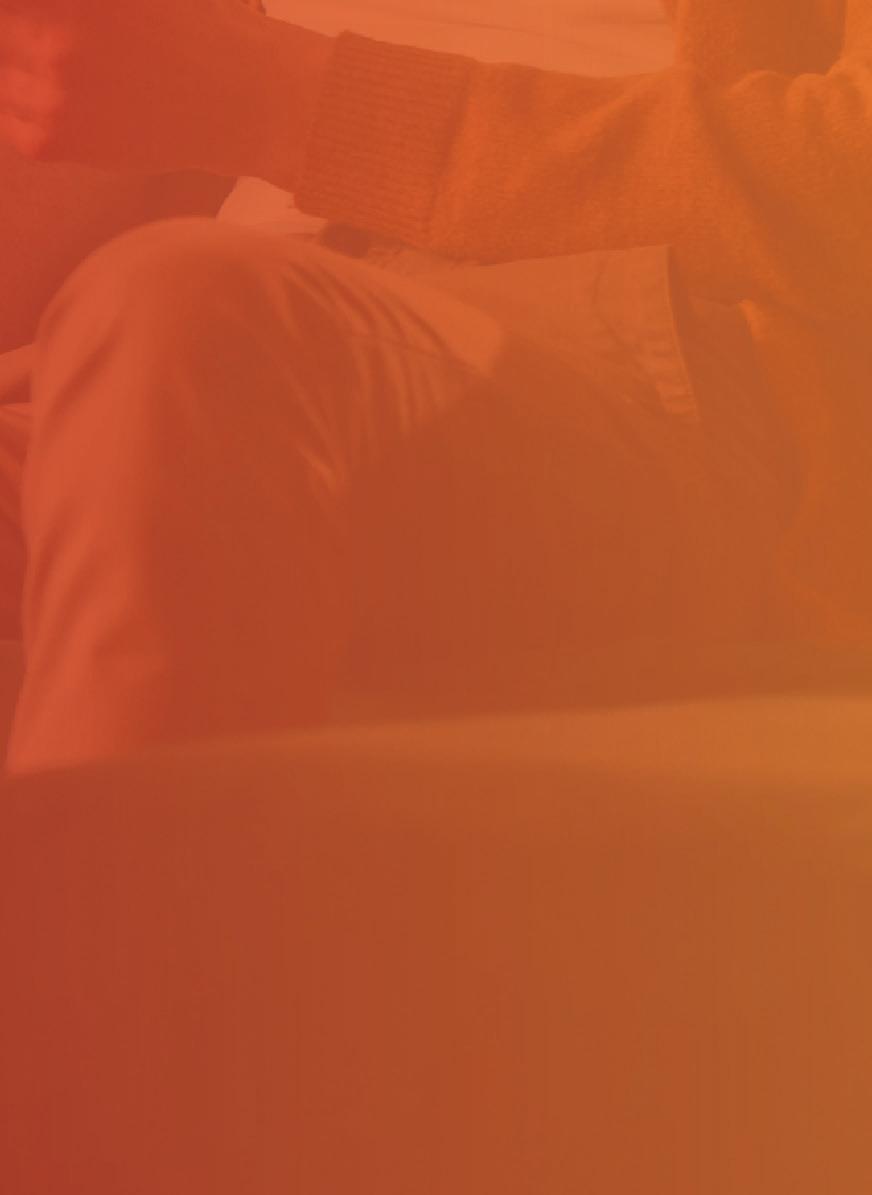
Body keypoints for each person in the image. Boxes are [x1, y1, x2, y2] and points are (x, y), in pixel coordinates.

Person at [0, 0, 866, 773]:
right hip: (229, 302)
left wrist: (296, 105)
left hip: (668, 346)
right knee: (169, 321)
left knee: (182, 310)